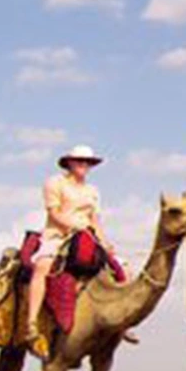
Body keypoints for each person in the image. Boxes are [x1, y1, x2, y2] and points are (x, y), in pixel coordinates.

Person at [25, 144, 114, 338]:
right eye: (80, 161)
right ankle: (31, 322)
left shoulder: (93, 191)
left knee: (118, 269)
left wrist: (105, 242)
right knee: (43, 266)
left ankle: (119, 323)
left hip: (86, 236)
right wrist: (74, 227)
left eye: (88, 162)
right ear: (69, 163)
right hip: (58, 234)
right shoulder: (55, 183)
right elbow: (54, 213)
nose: (84, 165)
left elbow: (95, 220)